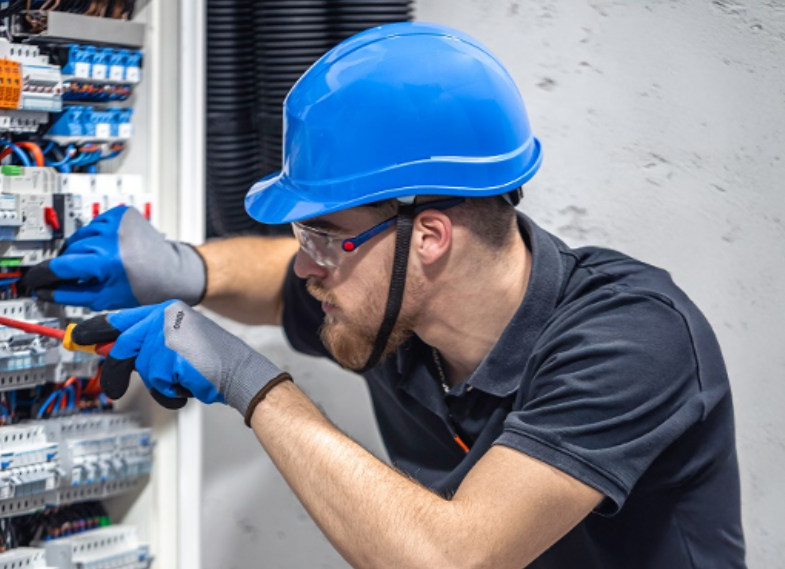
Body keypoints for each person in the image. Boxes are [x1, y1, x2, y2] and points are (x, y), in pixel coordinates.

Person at [22, 23, 745, 569]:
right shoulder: (396, 307)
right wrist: (184, 267)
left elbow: (452, 557)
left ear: (428, 237)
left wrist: (251, 383)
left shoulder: (632, 339)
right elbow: (276, 281)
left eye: (323, 236)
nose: (306, 267)